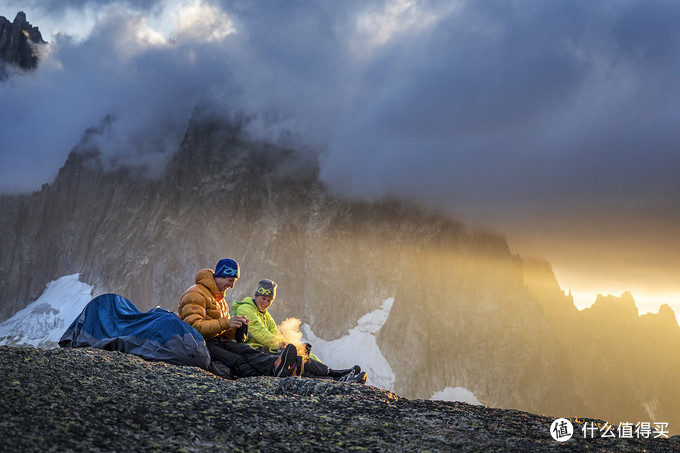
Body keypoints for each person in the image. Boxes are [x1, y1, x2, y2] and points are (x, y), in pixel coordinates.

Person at [178, 258, 298, 379]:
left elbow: (224, 332)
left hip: (217, 341)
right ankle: (271, 377)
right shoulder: (195, 293)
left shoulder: (220, 301)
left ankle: (276, 366)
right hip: (199, 344)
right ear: (221, 275)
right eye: (230, 280)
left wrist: (236, 327)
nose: (231, 285)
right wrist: (227, 323)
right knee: (236, 360)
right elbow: (193, 327)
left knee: (246, 349)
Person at [231, 278, 367, 384]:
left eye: (269, 300)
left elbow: (275, 336)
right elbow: (262, 335)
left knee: (301, 357)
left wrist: (296, 348)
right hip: (254, 353)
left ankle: (335, 375)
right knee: (296, 363)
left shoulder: (266, 315)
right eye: (263, 298)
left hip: (266, 350)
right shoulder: (246, 309)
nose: (266, 303)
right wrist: (285, 346)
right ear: (256, 295)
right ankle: (336, 377)